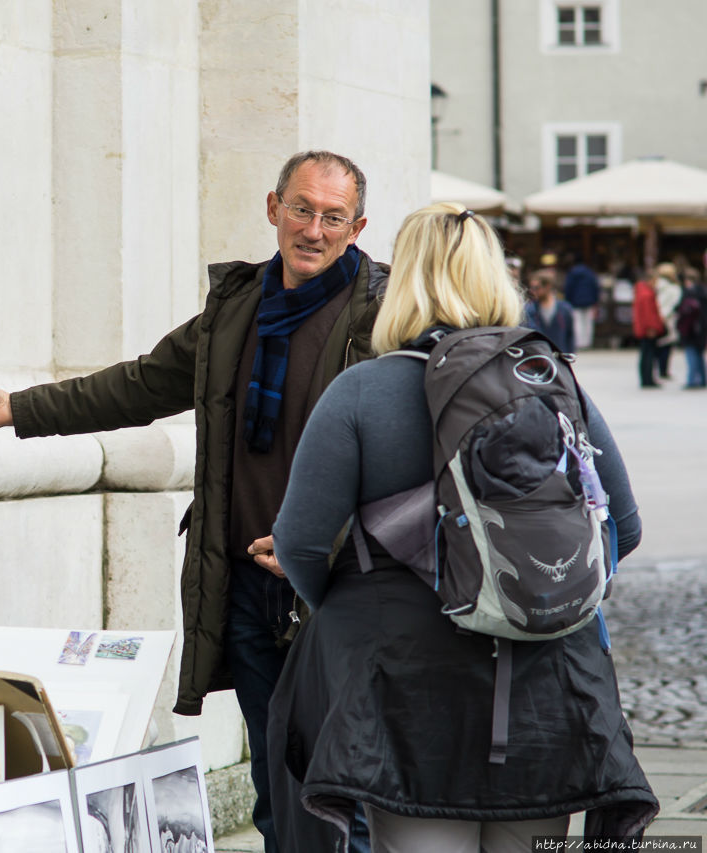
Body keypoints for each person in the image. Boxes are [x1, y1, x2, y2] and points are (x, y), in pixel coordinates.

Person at [0, 150, 389, 853]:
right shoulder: (237, 308)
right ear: (273, 207)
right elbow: (139, 385)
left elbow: (412, 464)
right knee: (275, 793)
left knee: (344, 791)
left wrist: (326, 544)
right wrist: (14, 408)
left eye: (333, 216)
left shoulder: (385, 313)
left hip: (338, 593)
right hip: (248, 590)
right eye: (303, 209)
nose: (314, 229)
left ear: (358, 225)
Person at [266, 203, 657, 852]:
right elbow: (625, 527)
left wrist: (357, 603)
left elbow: (300, 542)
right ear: (495, 277)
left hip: (410, 686)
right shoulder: (552, 381)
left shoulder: (362, 391)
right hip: (547, 677)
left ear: (405, 282)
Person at [522, 267, 575, 353]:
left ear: (548, 286)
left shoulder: (564, 309)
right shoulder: (529, 309)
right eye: (531, 288)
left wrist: (569, 356)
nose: (532, 291)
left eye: (536, 288)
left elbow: (569, 336)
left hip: (559, 356)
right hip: (539, 357)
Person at [631, 271, 664, 387]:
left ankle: (646, 378)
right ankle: (647, 379)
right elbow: (648, 314)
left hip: (643, 328)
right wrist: (652, 327)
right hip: (648, 329)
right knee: (648, 355)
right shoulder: (647, 294)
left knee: (645, 354)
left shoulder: (641, 291)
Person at [677, 267, 707, 389]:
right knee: (699, 353)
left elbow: (682, 309)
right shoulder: (703, 291)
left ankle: (692, 379)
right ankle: (702, 378)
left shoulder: (689, 292)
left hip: (690, 327)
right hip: (702, 326)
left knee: (691, 353)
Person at [563, 254, 600, 349]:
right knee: (588, 322)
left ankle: (579, 343)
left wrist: (568, 299)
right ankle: (587, 342)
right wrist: (595, 300)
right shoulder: (590, 272)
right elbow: (595, 287)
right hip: (589, 301)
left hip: (575, 301)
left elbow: (568, 288)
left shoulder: (572, 273)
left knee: (577, 322)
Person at [653, 262, 683, 381]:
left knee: (660, 344)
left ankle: (660, 369)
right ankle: (663, 369)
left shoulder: (656, 286)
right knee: (667, 344)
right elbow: (675, 302)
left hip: (658, 317)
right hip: (669, 318)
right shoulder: (673, 288)